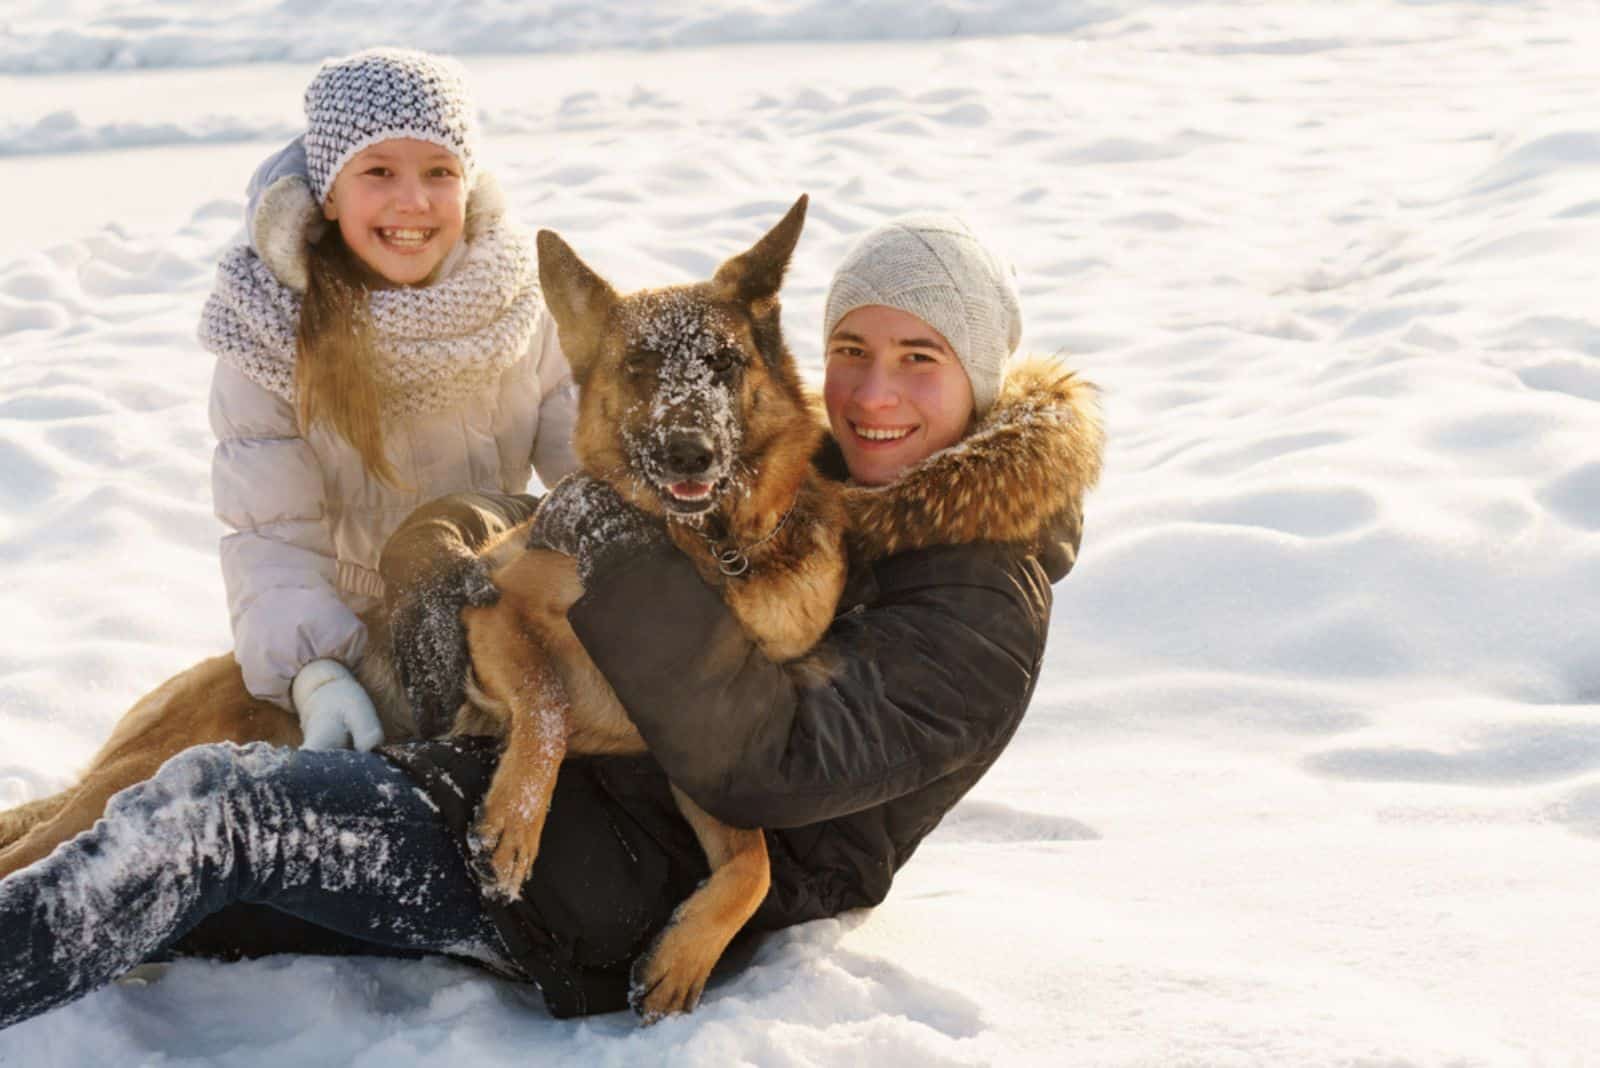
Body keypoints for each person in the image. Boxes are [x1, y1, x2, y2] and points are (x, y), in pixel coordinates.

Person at [0, 214, 1103, 1028]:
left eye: (920, 360)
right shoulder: (793, 474)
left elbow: (770, 765)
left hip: (608, 879)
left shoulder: (981, 603)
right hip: (519, 791)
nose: (873, 394)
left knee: (217, 814)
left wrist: (594, 563)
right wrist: (462, 543)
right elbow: (551, 527)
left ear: (981, 376)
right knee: (148, 805)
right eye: (852, 353)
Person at [201, 46, 576, 750]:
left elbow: (588, 476)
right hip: (350, 636)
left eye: (440, 172)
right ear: (330, 191)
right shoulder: (268, 329)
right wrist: (315, 673)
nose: (414, 201)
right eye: (379, 172)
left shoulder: (521, 307)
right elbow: (268, 536)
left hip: (492, 616)